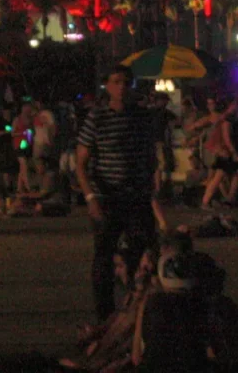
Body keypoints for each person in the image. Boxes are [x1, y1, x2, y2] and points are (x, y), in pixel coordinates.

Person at [76, 66, 159, 323]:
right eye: (116, 82)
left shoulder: (141, 117)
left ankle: (136, 305)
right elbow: (81, 163)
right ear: (108, 86)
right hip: (107, 196)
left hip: (136, 195)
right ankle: (105, 315)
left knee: (142, 249)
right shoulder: (97, 117)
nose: (121, 87)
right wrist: (91, 197)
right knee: (104, 255)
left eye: (126, 82)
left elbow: (149, 154)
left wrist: (151, 183)